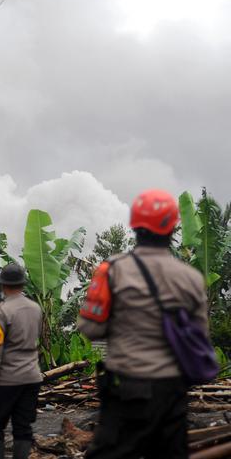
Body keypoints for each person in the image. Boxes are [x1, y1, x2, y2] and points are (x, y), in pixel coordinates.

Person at [78, 188, 209, 458]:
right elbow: (200, 336)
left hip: (127, 388)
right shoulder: (191, 278)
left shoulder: (111, 270)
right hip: (172, 392)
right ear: (173, 227)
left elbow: (91, 328)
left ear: (135, 225)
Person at [0, 262, 43, 459]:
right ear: (22, 284)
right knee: (23, 427)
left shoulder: (0, 312)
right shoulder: (36, 309)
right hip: (32, 377)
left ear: (3, 285)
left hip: (7, 380)